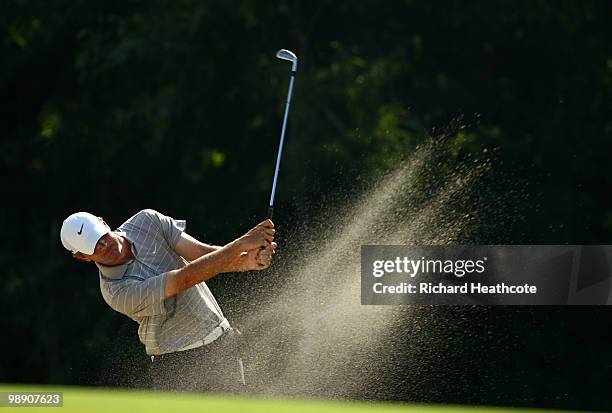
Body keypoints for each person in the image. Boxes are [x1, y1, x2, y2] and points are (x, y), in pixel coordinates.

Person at [60, 208, 276, 392]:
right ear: (83, 257)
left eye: (102, 236)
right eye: (94, 247)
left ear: (103, 223)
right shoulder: (115, 292)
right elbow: (184, 279)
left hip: (220, 342)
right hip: (175, 364)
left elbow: (200, 254)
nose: (104, 245)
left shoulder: (147, 220)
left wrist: (247, 260)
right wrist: (241, 245)